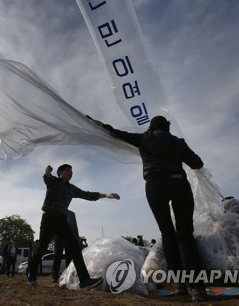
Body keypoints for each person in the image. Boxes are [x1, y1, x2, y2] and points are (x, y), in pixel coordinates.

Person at [88, 115, 207, 302]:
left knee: (167, 234)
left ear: (151, 128)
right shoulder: (177, 142)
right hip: (179, 184)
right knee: (185, 236)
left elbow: (115, 133)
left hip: (155, 185)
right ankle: (198, 288)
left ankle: (179, 286)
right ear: (167, 127)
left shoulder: (143, 138)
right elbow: (197, 163)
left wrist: (98, 124)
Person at [27, 164, 120, 290]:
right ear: (61, 172)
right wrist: (47, 171)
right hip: (49, 218)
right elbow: (47, 178)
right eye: (68, 171)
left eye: (72, 171)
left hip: (61, 220)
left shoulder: (71, 189)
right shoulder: (54, 181)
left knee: (75, 247)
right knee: (42, 249)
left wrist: (108, 195)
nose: (71, 173)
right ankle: (31, 273)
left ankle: (84, 280)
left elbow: (88, 195)